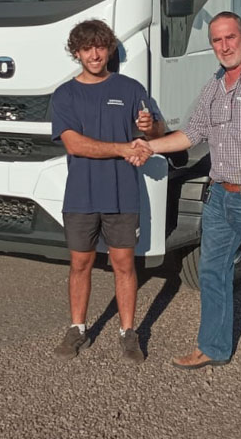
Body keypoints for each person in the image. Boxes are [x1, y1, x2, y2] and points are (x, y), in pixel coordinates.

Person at [141, 11, 241, 381]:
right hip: (220, 198)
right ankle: (212, 347)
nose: (224, 46)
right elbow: (191, 134)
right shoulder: (214, 85)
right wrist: (148, 147)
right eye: (217, 40)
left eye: (230, 38)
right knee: (212, 273)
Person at [50, 19, 166, 364]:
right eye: (87, 48)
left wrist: (150, 127)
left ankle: (128, 332)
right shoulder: (65, 94)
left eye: (100, 47)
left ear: (109, 49)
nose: (95, 55)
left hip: (122, 193)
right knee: (80, 263)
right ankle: (77, 328)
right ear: (76, 53)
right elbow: (74, 144)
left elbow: (157, 132)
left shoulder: (130, 89)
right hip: (80, 195)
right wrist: (121, 148)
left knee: (124, 264)